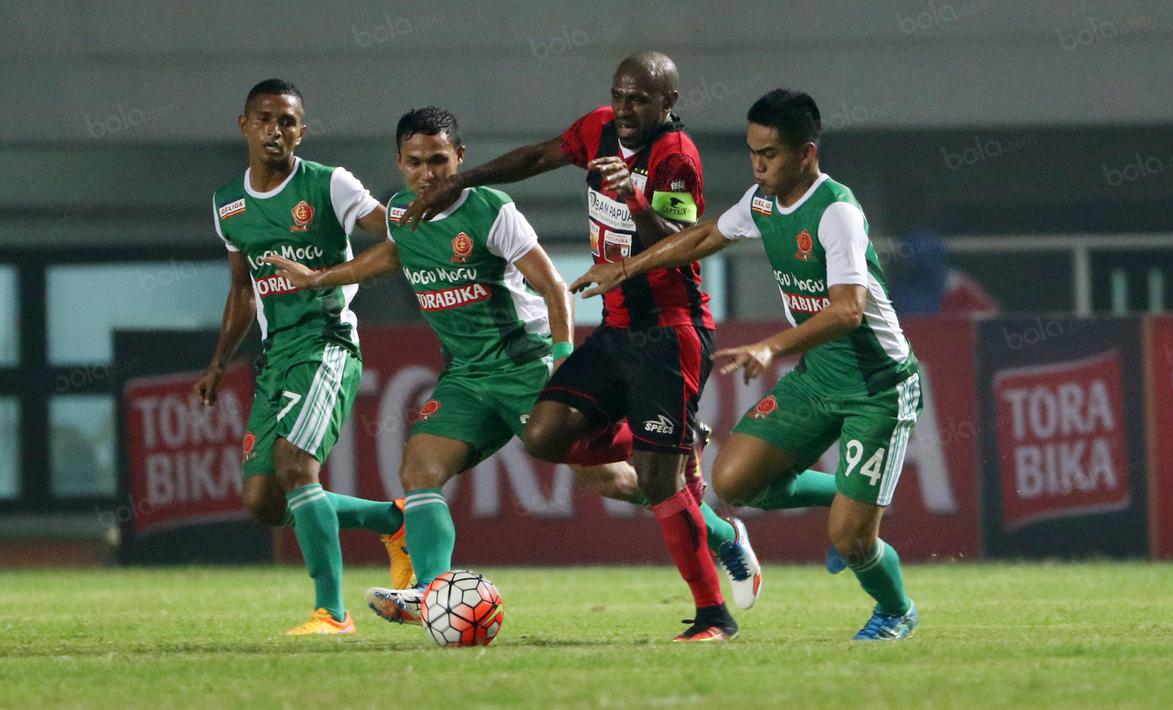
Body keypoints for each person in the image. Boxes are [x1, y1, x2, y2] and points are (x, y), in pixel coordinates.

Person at [268, 106, 729, 627]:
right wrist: (320, 278)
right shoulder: (399, 212)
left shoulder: (490, 209)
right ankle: (432, 592)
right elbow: (395, 255)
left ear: (460, 157)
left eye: (439, 160)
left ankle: (720, 529)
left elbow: (554, 287)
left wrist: (561, 361)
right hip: (466, 376)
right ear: (399, 162)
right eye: (415, 162)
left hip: (523, 365)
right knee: (419, 470)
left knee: (619, 482)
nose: (428, 173)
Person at [400, 52, 756, 641]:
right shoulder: (597, 129)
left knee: (657, 481)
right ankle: (676, 443)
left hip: (671, 331)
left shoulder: (675, 157)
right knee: (544, 436)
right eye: (619, 95)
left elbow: (686, 242)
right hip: (615, 326)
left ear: (668, 103)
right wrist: (463, 179)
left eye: (639, 99)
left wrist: (634, 200)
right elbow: (538, 157)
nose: (624, 108)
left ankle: (714, 615)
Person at [571, 88, 922, 641]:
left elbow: (848, 311)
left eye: (770, 154)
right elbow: (705, 235)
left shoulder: (837, 213)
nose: (758, 165)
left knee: (853, 542)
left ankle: (895, 609)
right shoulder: (761, 202)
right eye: (753, 152)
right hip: (820, 378)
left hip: (878, 386)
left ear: (806, 153)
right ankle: (853, 495)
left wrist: (769, 348)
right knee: (735, 482)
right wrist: (627, 267)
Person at [194, 79, 411, 635]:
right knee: (263, 500)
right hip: (276, 354)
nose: (275, 130)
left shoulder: (329, 184)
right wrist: (218, 362)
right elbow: (242, 290)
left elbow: (392, 230)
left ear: (301, 131)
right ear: (244, 125)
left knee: (295, 465)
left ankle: (331, 612)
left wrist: (433, 220)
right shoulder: (228, 204)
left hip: (326, 342)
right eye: (265, 119)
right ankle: (391, 521)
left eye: (287, 121)